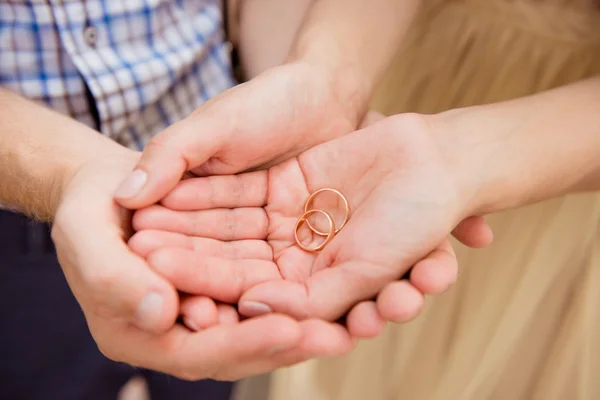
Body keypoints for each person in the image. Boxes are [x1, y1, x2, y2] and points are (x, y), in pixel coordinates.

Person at [0, 0, 485, 397]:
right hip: (14, 210)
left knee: (212, 376)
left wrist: (329, 80)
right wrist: (65, 167)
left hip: (238, 150)